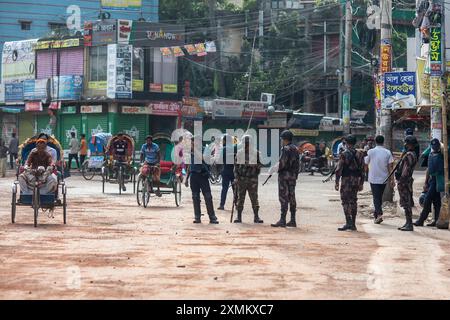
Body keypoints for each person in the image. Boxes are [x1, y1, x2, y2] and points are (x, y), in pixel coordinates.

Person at [185, 136, 219, 224]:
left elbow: (203, 158)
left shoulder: (205, 149)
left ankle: (212, 217)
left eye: (194, 142)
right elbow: (190, 165)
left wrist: (194, 150)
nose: (192, 144)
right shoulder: (191, 152)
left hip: (203, 176)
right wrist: (186, 178)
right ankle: (197, 217)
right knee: (195, 197)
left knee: (208, 197)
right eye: (192, 142)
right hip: (194, 176)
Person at [334, 135, 365, 231]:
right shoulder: (360, 154)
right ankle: (353, 224)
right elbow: (363, 169)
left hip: (346, 180)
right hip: (356, 180)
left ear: (346, 143)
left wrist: (337, 182)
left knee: (345, 201)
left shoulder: (344, 154)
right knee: (353, 201)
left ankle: (348, 222)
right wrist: (361, 183)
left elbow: (338, 169)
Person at [272, 130, 300, 228]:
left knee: (284, 197)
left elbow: (282, 163)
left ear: (284, 139)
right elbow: (298, 165)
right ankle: (293, 220)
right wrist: (295, 175)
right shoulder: (296, 149)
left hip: (284, 176)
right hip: (292, 176)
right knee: (292, 197)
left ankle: (282, 220)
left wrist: (274, 169)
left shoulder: (285, 149)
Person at [364, 135, 394, 224]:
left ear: (375, 142)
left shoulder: (370, 152)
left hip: (373, 178)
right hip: (384, 178)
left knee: (376, 197)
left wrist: (363, 175)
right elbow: (390, 167)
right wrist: (392, 179)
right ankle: (376, 215)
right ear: (383, 142)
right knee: (378, 197)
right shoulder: (387, 152)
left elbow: (365, 164)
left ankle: (379, 214)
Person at [233, 135, 264, 224]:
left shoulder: (256, 153)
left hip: (252, 179)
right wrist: (236, 178)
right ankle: (239, 217)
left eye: (247, 143)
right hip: (241, 179)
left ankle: (256, 216)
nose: (246, 145)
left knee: (254, 198)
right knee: (240, 198)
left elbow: (261, 164)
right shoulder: (239, 153)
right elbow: (235, 167)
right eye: (244, 143)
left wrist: (253, 165)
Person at [414, 138, 444, 227]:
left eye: (436, 146)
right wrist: (426, 182)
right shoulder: (430, 154)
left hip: (438, 179)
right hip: (432, 180)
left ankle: (421, 220)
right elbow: (428, 169)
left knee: (427, 200)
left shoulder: (443, 154)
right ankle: (436, 220)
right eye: (433, 147)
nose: (434, 148)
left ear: (439, 146)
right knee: (436, 201)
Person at [395, 135, 418, 231]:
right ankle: (408, 222)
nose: (404, 144)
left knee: (406, 202)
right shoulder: (410, 154)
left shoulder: (409, 155)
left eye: (406, 142)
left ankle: (409, 224)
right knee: (405, 202)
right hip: (405, 181)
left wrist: (401, 181)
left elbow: (406, 170)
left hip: (404, 181)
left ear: (409, 144)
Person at [217, 134, 236, 210]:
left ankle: (222, 205)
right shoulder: (235, 148)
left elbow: (219, 160)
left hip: (226, 171)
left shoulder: (224, 149)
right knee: (235, 189)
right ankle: (237, 205)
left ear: (225, 141)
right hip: (234, 171)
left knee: (224, 188)